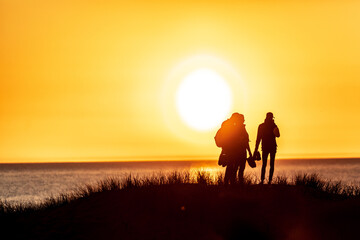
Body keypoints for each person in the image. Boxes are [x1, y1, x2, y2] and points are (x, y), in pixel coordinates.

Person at [221, 113, 252, 185]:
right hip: (238, 152)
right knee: (235, 168)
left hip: (238, 152)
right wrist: (250, 152)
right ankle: (234, 183)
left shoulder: (238, 128)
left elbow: (245, 142)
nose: (243, 120)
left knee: (235, 168)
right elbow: (246, 142)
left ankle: (232, 183)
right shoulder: (238, 129)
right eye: (242, 119)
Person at [254, 112, 280, 184]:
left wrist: (255, 149)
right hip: (271, 147)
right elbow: (278, 135)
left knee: (264, 164)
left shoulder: (261, 126)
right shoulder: (273, 126)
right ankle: (269, 181)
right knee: (271, 164)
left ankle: (263, 180)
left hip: (266, 147)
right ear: (271, 118)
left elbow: (258, 139)